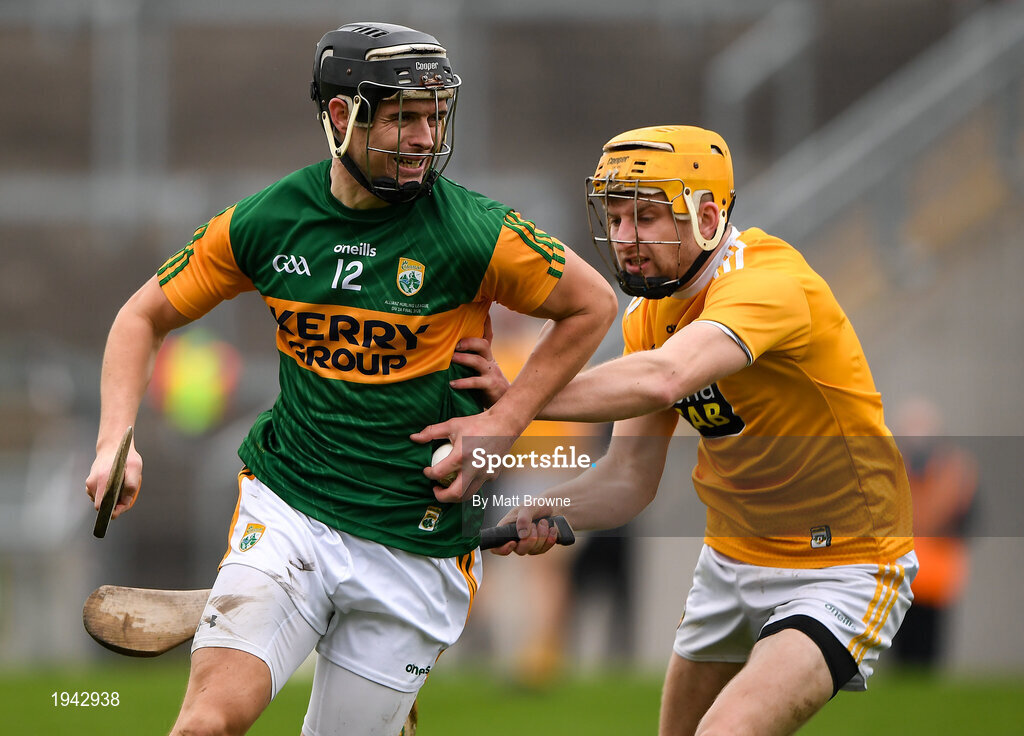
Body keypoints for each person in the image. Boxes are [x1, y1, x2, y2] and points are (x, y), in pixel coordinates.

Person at [84, 21, 615, 736]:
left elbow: (592, 304)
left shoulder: (474, 232)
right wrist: (116, 439)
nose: (426, 137)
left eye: (434, 115)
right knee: (206, 723)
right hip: (289, 508)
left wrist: (506, 418)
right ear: (341, 117)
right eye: (403, 117)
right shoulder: (270, 222)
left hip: (414, 543)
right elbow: (139, 317)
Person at [441, 125, 916, 736]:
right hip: (731, 558)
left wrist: (520, 398)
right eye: (614, 218)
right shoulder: (650, 316)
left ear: (709, 216)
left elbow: (668, 377)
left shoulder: (769, 282)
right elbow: (627, 479)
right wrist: (546, 509)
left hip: (845, 563)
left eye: (644, 217)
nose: (624, 239)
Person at [891, 397, 978, 668]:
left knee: (929, 656)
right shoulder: (892, 468)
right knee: (900, 656)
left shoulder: (955, 471)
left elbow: (969, 520)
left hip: (936, 578)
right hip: (898, 576)